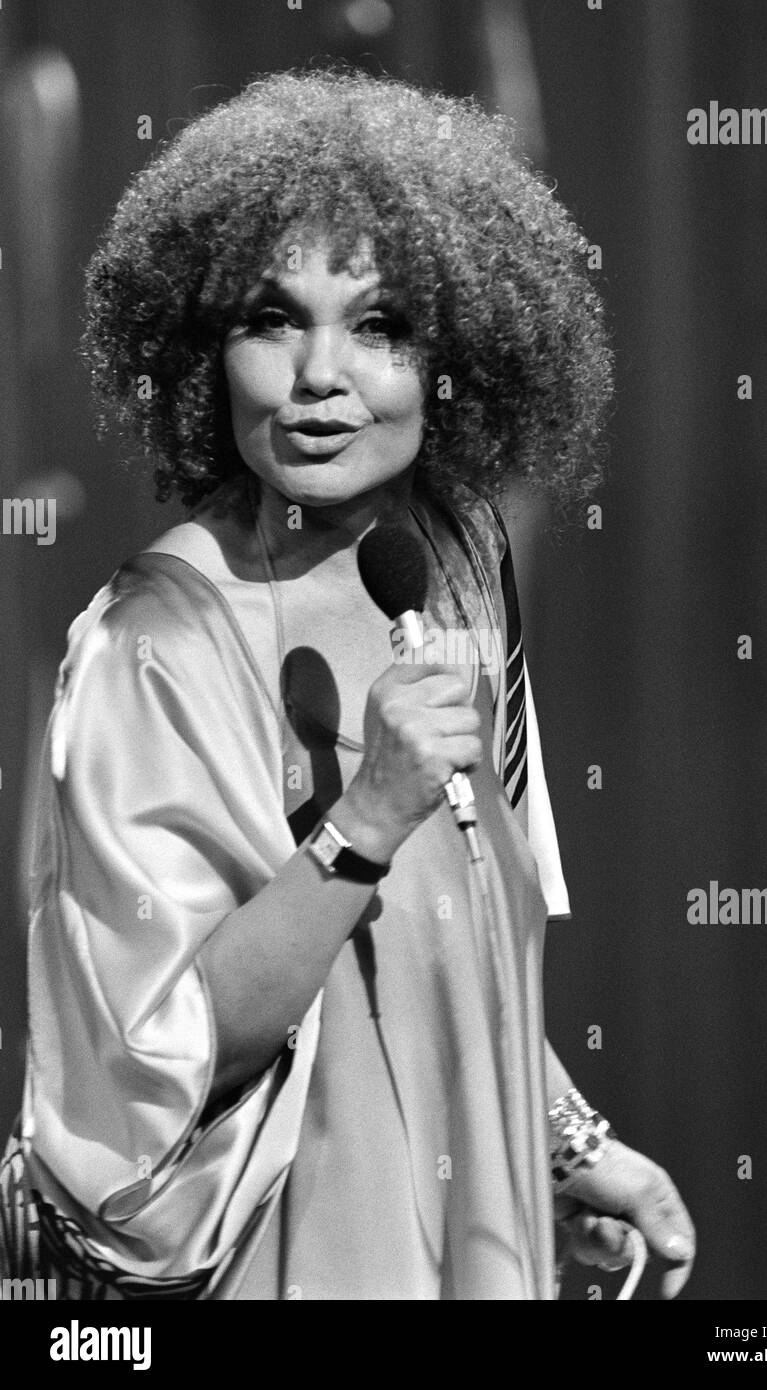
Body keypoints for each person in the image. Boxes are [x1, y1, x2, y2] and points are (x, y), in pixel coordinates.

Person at [2, 69, 695, 1300]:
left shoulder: (461, 564)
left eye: (380, 327)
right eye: (272, 319)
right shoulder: (153, 643)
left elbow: (462, 950)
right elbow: (146, 1059)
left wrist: (567, 1144)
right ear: (202, 348)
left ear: (459, 358)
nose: (320, 374)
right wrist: (364, 815)